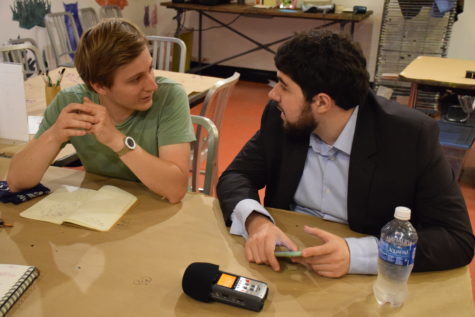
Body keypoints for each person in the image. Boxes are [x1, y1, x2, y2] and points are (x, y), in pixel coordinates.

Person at [217, 30, 474, 278]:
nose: (273, 95)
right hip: (283, 268)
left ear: (321, 102)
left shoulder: (408, 135)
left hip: (366, 283)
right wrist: (257, 222)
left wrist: (357, 255)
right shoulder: (281, 117)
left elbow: (455, 238)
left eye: (283, 86)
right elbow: (237, 175)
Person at [7, 18, 194, 203]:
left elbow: (175, 190)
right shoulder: (71, 103)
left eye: (150, 68)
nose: (152, 85)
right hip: (102, 207)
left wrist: (116, 140)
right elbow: (16, 182)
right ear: (100, 87)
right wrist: (54, 135)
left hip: (156, 206)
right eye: (136, 79)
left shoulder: (169, 96)